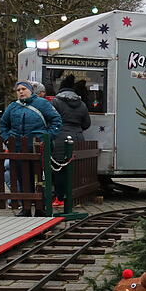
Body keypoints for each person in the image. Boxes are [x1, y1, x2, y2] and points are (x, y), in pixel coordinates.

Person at [0, 81, 61, 215]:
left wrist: (47, 137)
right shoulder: (13, 107)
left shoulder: (43, 104)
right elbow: (3, 125)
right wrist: (8, 139)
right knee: (22, 178)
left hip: (38, 148)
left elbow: (56, 120)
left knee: (40, 179)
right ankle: (26, 207)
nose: (21, 92)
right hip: (19, 148)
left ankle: (40, 208)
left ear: (30, 90)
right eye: (18, 90)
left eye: (23, 89)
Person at [50, 74, 90, 206]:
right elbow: (87, 124)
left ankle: (60, 198)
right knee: (76, 169)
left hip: (60, 138)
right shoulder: (82, 104)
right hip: (78, 138)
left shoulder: (55, 102)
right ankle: (75, 198)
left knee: (59, 169)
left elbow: (51, 120)